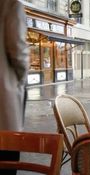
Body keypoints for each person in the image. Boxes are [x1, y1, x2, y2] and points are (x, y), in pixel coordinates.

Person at [0, 0, 29, 174]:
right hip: (4, 104)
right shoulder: (10, 5)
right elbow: (18, 50)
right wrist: (20, 81)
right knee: (7, 165)